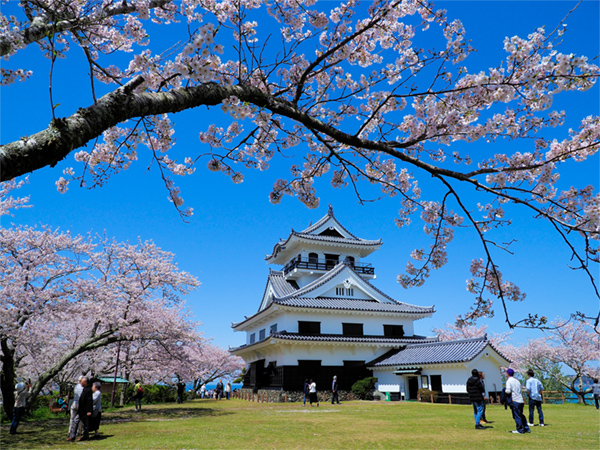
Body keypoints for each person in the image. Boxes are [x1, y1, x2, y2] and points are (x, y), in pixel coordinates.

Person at [505, 369, 531, 434]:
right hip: (520, 400)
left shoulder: (509, 381)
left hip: (515, 399)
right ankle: (526, 427)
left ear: (507, 374)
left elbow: (508, 391)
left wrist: (504, 391)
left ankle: (519, 429)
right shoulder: (517, 381)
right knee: (521, 414)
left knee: (517, 415)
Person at [68, 377, 93, 441]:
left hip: (85, 410)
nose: (80, 383)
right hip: (81, 410)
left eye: (81, 382)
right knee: (78, 422)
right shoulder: (85, 389)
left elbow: (89, 401)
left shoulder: (88, 390)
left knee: (83, 424)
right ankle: (73, 436)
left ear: (85, 382)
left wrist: (89, 411)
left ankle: (84, 436)